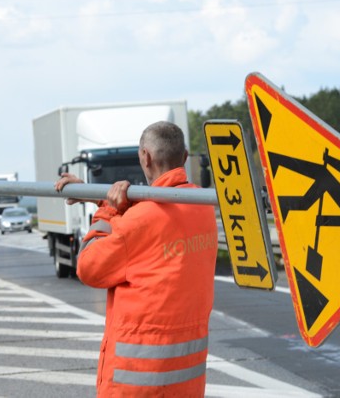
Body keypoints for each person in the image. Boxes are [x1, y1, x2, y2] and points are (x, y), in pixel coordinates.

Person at [55, 121, 218, 397]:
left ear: (146, 156)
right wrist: (100, 198)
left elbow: (87, 266)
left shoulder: (139, 221)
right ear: (185, 157)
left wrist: (107, 212)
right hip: (186, 385)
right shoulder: (202, 209)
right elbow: (154, 224)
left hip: (135, 385)